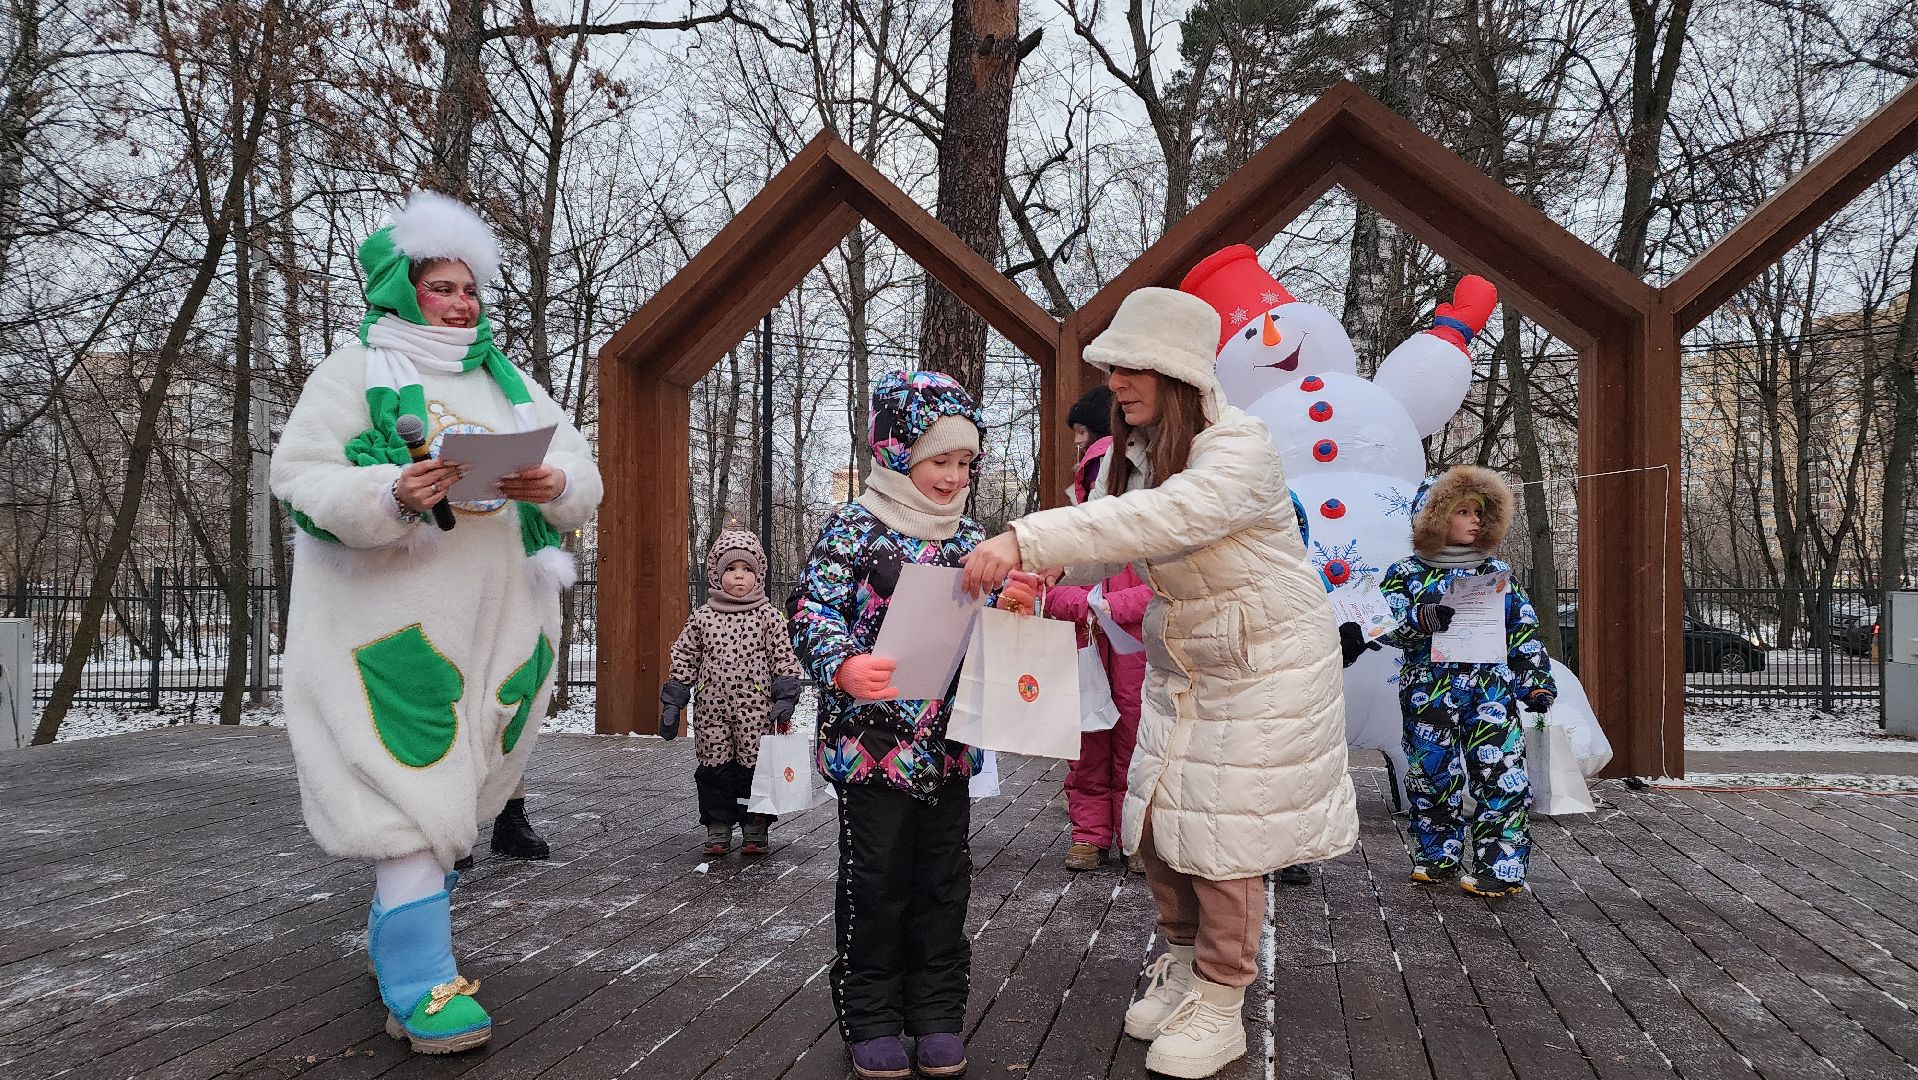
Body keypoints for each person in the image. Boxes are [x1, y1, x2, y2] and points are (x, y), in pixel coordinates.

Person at [960, 287, 1359, 1080]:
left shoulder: (1238, 448)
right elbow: (1111, 544)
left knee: (1225, 835)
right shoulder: (1142, 456)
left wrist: (1024, 537)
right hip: (1192, 656)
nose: (1117, 382)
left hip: (1264, 663)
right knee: (1159, 820)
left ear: (1176, 370)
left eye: (1133, 366)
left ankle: (1221, 999)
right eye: (1113, 367)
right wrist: (1036, 576)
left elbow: (1163, 522)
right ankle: (1182, 963)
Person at [269, 192, 602, 1054]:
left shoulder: (507, 378)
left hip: (499, 623)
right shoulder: (352, 372)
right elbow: (300, 475)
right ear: (399, 292)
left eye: (468, 288)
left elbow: (576, 465)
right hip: (388, 624)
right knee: (409, 780)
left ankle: (399, 940)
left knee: (463, 781)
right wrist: (388, 493)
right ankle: (420, 979)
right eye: (441, 288)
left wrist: (553, 485)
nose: (462, 303)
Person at [790, 370, 1036, 1080]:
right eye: (940, 460)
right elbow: (811, 611)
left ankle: (935, 1012)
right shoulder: (853, 526)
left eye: (965, 462)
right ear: (899, 454)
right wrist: (842, 665)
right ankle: (870, 1014)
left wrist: (1016, 598)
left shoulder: (973, 540)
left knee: (943, 880)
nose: (954, 476)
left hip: (949, 744)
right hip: (872, 748)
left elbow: (991, 621)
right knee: (876, 880)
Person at [1377, 465, 1555, 898]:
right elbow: (1380, 626)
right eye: (1462, 510)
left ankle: (1503, 867)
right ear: (1433, 517)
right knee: (1432, 775)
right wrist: (1418, 620)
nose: (1475, 519)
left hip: (1489, 690)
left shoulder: (1497, 573)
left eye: (1481, 511)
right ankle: (1438, 856)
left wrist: (1534, 682)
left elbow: (1523, 630)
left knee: (1501, 774)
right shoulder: (1405, 573)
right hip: (1428, 694)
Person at [1040, 385, 1153, 873]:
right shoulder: (1071, 522)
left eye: (1082, 434)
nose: (1076, 445)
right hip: (1087, 644)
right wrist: (1085, 608)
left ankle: (1130, 835)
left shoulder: (1147, 520)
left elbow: (1161, 589)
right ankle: (1096, 833)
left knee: (1131, 737)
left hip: (1133, 648)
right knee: (1092, 738)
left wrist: (1109, 606)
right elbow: (1048, 586)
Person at [659, 529, 804, 856]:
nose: (739, 577)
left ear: (759, 575)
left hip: (756, 711)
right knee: (714, 768)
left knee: (755, 767)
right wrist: (674, 699)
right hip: (712, 710)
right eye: (730, 569)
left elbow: (782, 655)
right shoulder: (703, 617)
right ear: (715, 574)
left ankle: (755, 825)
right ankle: (718, 825)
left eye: (747, 570)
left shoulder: (768, 616)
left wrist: (785, 696)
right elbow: (685, 656)